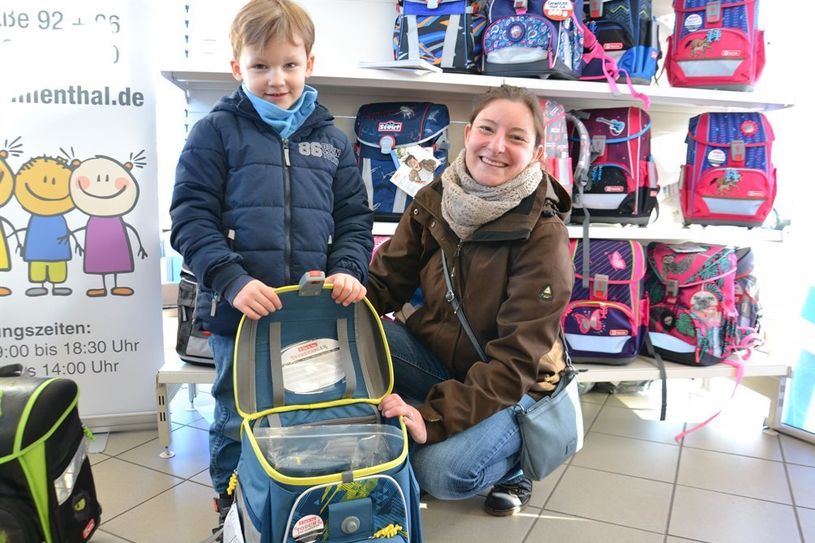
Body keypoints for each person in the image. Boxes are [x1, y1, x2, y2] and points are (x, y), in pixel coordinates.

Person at [169, 0, 373, 534]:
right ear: (236, 67)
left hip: (313, 314)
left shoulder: (332, 141)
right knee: (236, 418)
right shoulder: (214, 132)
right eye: (260, 65)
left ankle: (298, 501)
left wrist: (349, 268)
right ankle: (231, 511)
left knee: (311, 409)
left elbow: (354, 220)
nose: (276, 79)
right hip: (240, 315)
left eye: (289, 64)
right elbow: (189, 220)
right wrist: (231, 280)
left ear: (309, 64)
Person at [368, 84, 574, 516]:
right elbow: (385, 283)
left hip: (516, 385)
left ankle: (515, 466)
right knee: (362, 329)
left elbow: (515, 363)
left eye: (516, 137)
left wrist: (435, 419)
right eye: (487, 129)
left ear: (536, 153)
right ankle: (434, 424)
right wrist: (332, 298)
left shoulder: (543, 234)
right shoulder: (435, 198)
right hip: (446, 361)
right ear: (468, 134)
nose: (496, 146)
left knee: (440, 472)